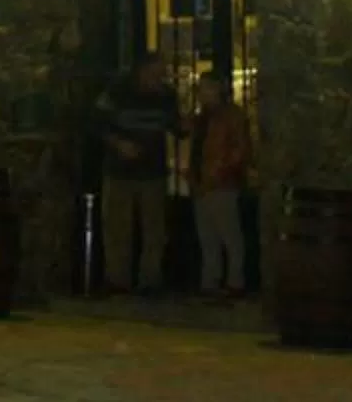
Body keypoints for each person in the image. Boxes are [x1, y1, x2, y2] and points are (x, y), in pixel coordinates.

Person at [93, 49, 180, 294]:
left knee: (154, 228)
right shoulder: (117, 92)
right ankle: (118, 278)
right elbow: (96, 123)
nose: (159, 80)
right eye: (155, 74)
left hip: (152, 171)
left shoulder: (166, 96)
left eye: (161, 75)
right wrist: (119, 144)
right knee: (118, 227)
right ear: (142, 71)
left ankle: (149, 279)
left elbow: (175, 125)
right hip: (120, 171)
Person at [190, 84, 253, 298]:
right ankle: (212, 280)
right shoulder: (204, 118)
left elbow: (239, 150)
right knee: (209, 236)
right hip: (205, 182)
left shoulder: (229, 117)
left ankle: (233, 281)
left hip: (221, 183)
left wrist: (219, 172)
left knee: (228, 235)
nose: (202, 94)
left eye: (206, 89)